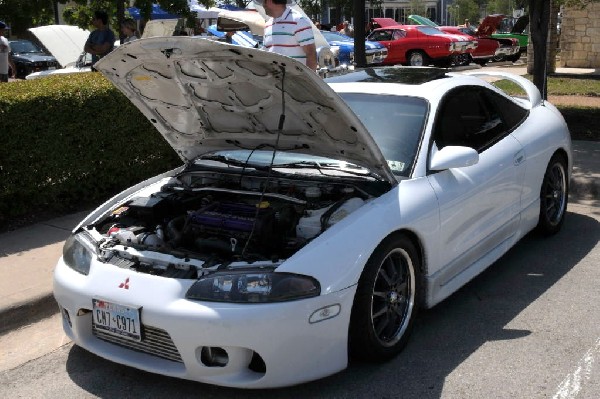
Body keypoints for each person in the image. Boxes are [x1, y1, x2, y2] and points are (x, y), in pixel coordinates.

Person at [258, 0, 318, 71]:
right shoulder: (268, 25)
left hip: (296, 80)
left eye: (264, 1)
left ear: (270, 1)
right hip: (274, 79)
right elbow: (266, 53)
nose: (263, 4)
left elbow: (311, 54)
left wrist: (308, 81)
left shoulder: (299, 21)